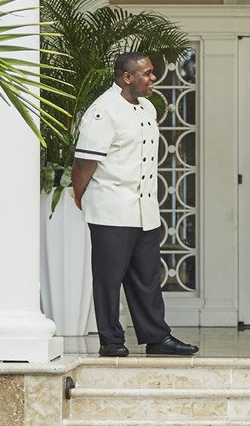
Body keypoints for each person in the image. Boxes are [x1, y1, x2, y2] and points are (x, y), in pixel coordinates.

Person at [71, 51, 199, 357]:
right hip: (112, 207)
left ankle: (157, 338)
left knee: (146, 278)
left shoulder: (147, 109)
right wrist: (80, 195)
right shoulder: (103, 111)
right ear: (127, 77)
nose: (153, 77)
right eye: (147, 73)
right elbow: (85, 162)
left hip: (145, 208)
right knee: (109, 278)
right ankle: (111, 341)